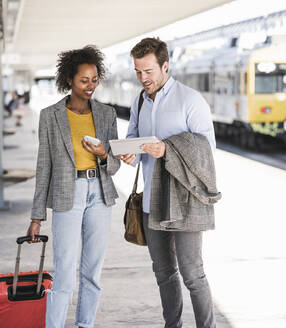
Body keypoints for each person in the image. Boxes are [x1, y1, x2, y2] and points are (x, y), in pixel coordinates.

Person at [120, 37, 218, 328]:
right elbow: (134, 137)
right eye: (138, 71)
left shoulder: (190, 100)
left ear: (165, 66)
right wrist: (130, 153)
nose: (143, 78)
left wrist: (168, 150)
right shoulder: (140, 100)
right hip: (152, 200)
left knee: (193, 274)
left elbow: (206, 151)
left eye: (148, 71)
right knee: (163, 272)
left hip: (186, 200)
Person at [26, 45, 120, 328]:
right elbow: (44, 167)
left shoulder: (106, 114)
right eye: (84, 80)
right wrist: (36, 216)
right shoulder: (50, 116)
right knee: (65, 273)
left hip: (100, 196)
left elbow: (114, 166)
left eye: (94, 79)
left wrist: (104, 154)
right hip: (68, 195)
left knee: (92, 273)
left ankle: (85, 324)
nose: (90, 86)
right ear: (69, 79)